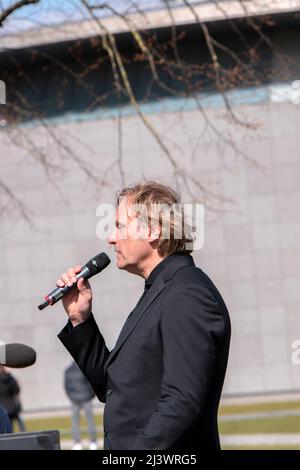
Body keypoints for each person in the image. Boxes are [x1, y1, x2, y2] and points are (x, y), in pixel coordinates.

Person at [57, 182, 231, 450]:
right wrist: (80, 320)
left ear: (152, 230)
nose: (111, 238)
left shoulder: (187, 296)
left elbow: (181, 402)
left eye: (119, 226)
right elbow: (113, 386)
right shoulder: (160, 292)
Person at [64, 361, 98, 450]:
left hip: (75, 399)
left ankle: (77, 444)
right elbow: (91, 385)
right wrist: (91, 395)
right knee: (90, 421)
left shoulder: (68, 370)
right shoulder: (85, 369)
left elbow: (66, 386)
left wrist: (71, 396)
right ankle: (93, 442)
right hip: (86, 398)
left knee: (75, 422)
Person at [0, 365, 26, 432]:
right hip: (13, 405)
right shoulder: (11, 378)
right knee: (20, 423)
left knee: (8, 426)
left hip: (3, 406)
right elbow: (17, 390)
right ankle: (25, 435)